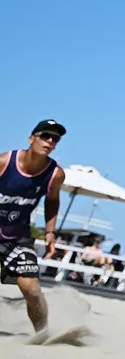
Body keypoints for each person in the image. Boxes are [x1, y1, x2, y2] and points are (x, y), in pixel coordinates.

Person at [0, 120, 66, 334]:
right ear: (31, 138)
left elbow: (52, 201)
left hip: (17, 237)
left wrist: (50, 231)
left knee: (31, 288)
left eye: (54, 138)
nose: (49, 141)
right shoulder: (4, 162)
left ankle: (42, 333)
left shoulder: (55, 174)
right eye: (45, 136)